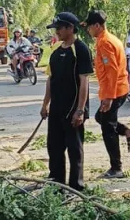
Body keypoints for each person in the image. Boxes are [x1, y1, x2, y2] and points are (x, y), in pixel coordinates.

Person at [41, 12, 93, 191]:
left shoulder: (81, 49)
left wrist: (80, 110)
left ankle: (76, 187)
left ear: (70, 28)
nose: (57, 32)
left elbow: (84, 81)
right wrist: (45, 104)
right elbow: (50, 79)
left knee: (74, 149)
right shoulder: (55, 50)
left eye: (59, 28)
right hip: (56, 108)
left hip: (73, 109)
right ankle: (56, 183)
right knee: (54, 147)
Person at [84, 11, 130, 179]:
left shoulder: (105, 43)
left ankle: (116, 168)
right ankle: (127, 132)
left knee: (107, 128)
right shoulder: (109, 39)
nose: (88, 31)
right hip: (118, 89)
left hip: (114, 91)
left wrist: (108, 97)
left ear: (97, 26)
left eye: (89, 27)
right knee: (101, 118)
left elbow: (112, 71)